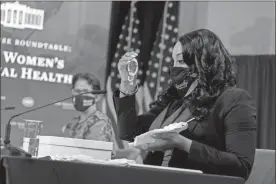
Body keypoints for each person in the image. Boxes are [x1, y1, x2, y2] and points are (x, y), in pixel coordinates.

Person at [113, 29, 257, 180]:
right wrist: (127, 83)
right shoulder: (175, 100)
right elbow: (129, 132)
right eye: (173, 61)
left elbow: (241, 167)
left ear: (204, 62)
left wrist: (181, 143)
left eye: (181, 61)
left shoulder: (234, 99)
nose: (175, 68)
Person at [62, 72, 113, 142]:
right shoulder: (75, 121)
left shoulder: (100, 122)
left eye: (85, 91)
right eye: (77, 91)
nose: (80, 95)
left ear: (97, 97)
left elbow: (92, 152)